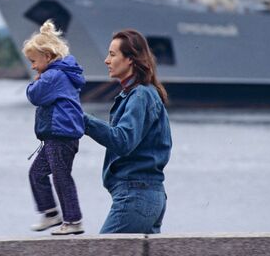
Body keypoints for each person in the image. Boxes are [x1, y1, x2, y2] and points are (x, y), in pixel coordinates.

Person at [84, 29, 172, 234]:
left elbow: (123, 141)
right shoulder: (141, 93)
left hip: (136, 196)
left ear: (131, 59)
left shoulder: (140, 95)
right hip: (148, 196)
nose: (106, 60)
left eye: (112, 55)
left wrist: (82, 121)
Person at [23, 20, 86, 236]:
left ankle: (73, 219)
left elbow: (34, 95)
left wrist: (36, 81)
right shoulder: (60, 74)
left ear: (47, 57)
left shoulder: (53, 75)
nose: (32, 67)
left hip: (61, 136)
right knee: (37, 173)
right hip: (56, 136)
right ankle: (51, 214)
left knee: (61, 176)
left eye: (33, 61)